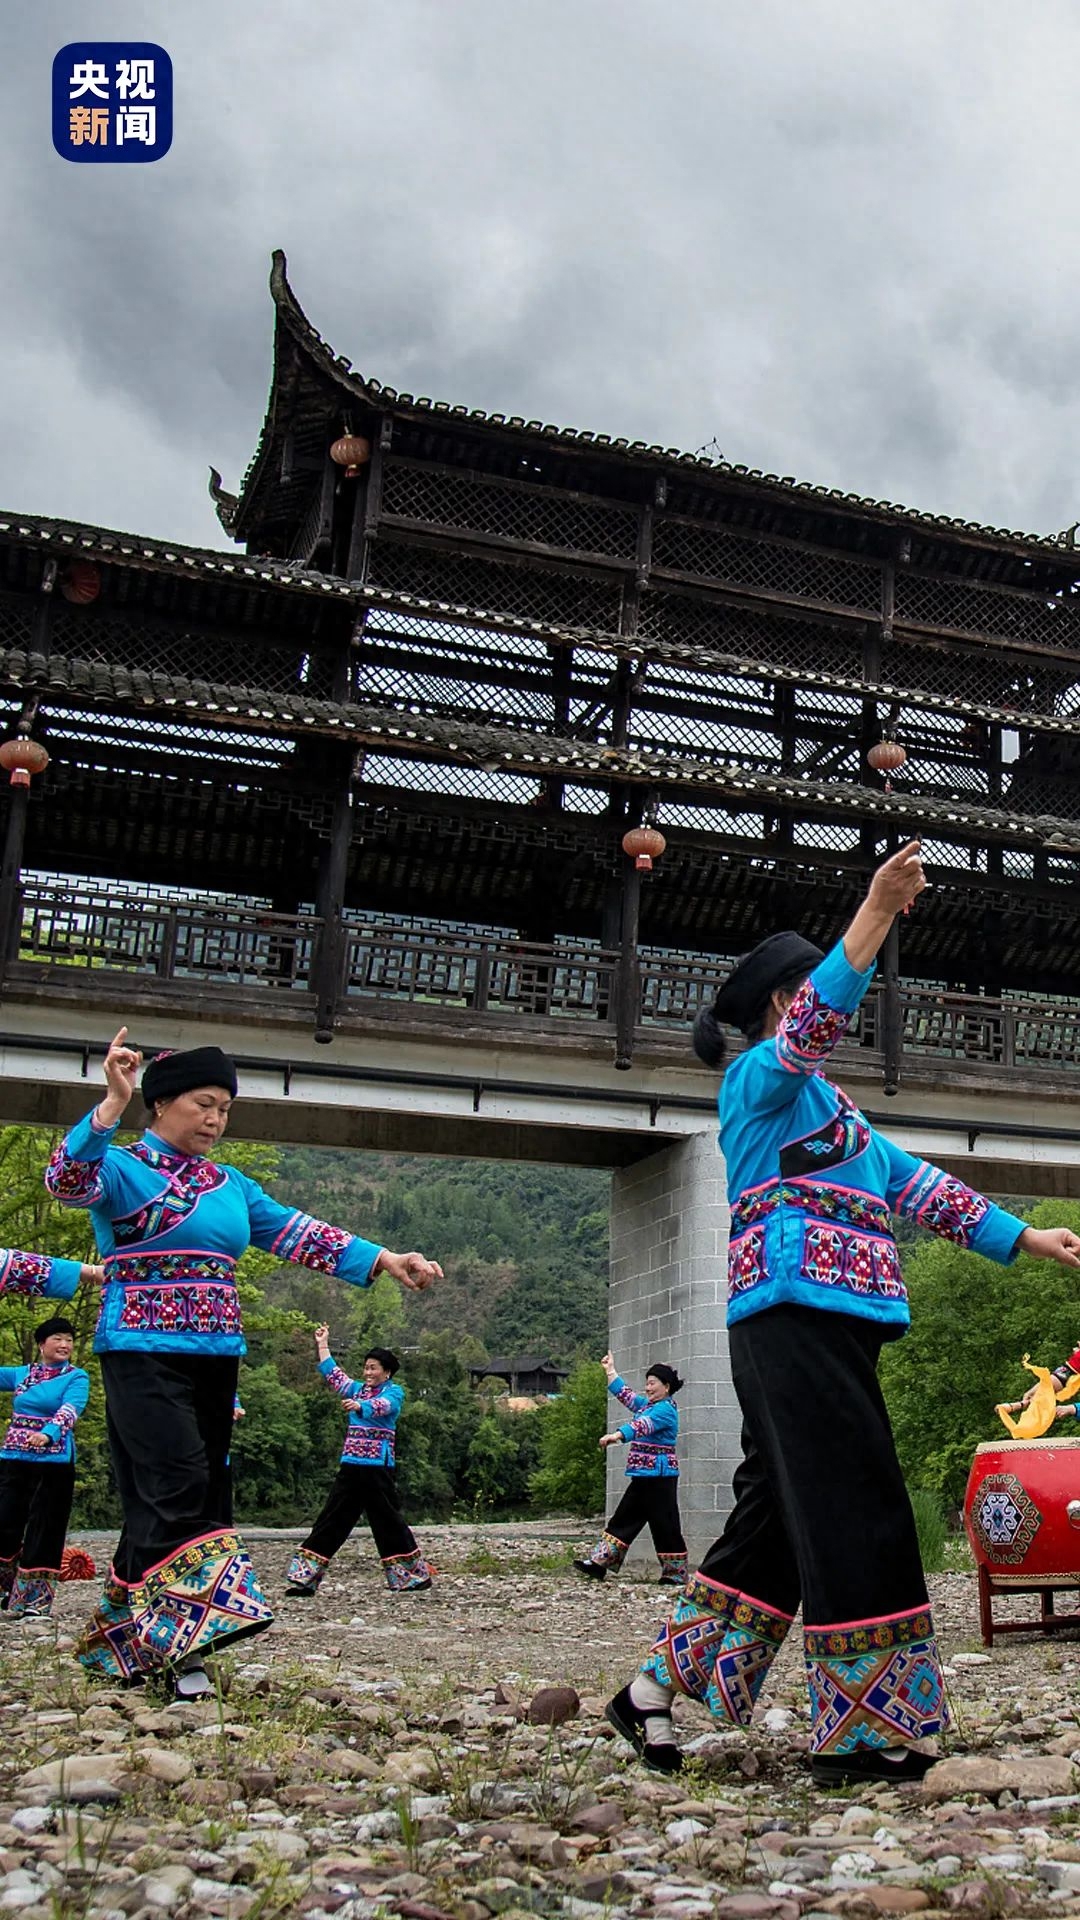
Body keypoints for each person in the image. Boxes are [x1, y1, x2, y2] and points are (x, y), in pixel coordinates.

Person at [604, 841, 1080, 1785]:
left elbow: (916, 1184)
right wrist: (872, 914)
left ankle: (654, 1690)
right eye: (811, 991)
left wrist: (1026, 1238)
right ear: (787, 1001)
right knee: (856, 1505)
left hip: (831, 1326)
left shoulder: (837, 1112)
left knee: (779, 1519)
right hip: (788, 1316)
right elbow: (816, 1025)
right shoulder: (760, 1085)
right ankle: (863, 1731)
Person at [45, 1032, 442, 1694]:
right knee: (175, 1482)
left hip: (217, 1358)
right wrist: (111, 1103)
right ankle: (186, 1651)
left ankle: (120, 1641)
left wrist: (382, 1259)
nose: (215, 1120)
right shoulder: (120, 1169)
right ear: (163, 1102)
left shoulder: (231, 1186)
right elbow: (66, 1178)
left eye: (225, 1110)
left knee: (187, 1493)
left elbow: (298, 1232)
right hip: (140, 1354)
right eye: (204, 1104)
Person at [286, 1328, 431, 1595]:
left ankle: (411, 1577)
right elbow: (333, 1373)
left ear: (386, 1372)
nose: (368, 1372)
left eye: (373, 1368)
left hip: (378, 1469)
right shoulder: (356, 1389)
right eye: (366, 1367)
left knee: (388, 1520)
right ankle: (304, 1578)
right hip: (352, 1466)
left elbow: (385, 1406)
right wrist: (323, 1344)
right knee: (331, 1517)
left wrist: (360, 1407)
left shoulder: (394, 1392)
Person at [0, 1316, 90, 1618]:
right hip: (14, 1458)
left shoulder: (76, 1377)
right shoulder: (22, 1375)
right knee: (5, 1519)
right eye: (57, 1339)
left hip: (54, 1460)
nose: (64, 1345)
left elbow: (69, 1410)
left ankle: (34, 1601)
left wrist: (48, 1433)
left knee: (46, 1525)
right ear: (42, 1345)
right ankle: (5, 1589)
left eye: (69, 1340)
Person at [575, 1350, 686, 1585]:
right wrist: (610, 1371)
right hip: (644, 1476)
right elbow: (625, 1395)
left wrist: (616, 1435)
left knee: (665, 1524)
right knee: (625, 1517)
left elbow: (640, 1426)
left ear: (666, 1387)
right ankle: (599, 1563)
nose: (648, 1388)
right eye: (647, 1383)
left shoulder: (665, 1410)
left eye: (652, 1383)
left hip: (660, 1477)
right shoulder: (647, 1405)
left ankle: (675, 1574)